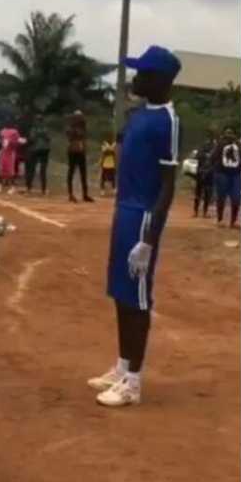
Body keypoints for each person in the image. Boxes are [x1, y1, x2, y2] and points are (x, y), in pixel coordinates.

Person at [87, 45, 180, 407]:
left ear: (158, 79)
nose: (135, 78)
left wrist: (149, 240)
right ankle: (123, 366)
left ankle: (134, 382)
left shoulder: (167, 120)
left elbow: (168, 184)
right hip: (123, 210)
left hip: (142, 216)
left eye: (142, 73)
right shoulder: (139, 114)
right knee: (121, 294)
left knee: (138, 299)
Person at [214, 127, 241, 228]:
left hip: (235, 174)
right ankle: (220, 219)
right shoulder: (220, 145)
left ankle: (233, 221)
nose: (229, 135)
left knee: (236, 198)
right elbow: (213, 157)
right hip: (222, 173)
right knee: (221, 197)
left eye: (231, 133)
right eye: (227, 133)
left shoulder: (239, 145)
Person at [65, 110, 94, 203]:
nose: (80, 118)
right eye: (78, 117)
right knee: (71, 171)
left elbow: (84, 137)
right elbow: (69, 136)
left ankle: (85, 194)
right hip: (73, 150)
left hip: (81, 151)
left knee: (83, 173)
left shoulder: (83, 127)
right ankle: (70, 194)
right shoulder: (71, 127)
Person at [192, 132, 218, 217]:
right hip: (206, 172)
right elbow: (198, 156)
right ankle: (202, 212)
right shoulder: (213, 147)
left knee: (200, 192)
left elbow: (197, 156)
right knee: (204, 193)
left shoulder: (206, 146)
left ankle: (198, 212)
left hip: (204, 171)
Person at [23, 116, 51, 195]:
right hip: (45, 149)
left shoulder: (34, 129)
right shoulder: (46, 129)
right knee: (43, 170)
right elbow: (48, 139)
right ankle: (44, 190)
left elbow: (32, 139)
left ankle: (29, 189)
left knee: (31, 169)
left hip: (35, 149)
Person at [0, 121, 24, 194]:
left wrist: (16, 142)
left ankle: (12, 187)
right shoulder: (2, 131)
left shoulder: (14, 132)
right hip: (3, 152)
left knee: (10, 171)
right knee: (1, 169)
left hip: (10, 153)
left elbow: (17, 141)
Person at [99, 132, 118, 196]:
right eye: (109, 137)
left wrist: (116, 163)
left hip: (112, 164)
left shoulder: (114, 144)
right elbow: (104, 153)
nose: (110, 138)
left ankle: (114, 189)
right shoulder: (104, 144)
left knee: (112, 178)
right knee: (103, 178)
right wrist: (101, 162)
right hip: (105, 164)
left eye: (111, 137)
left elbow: (114, 153)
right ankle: (102, 190)